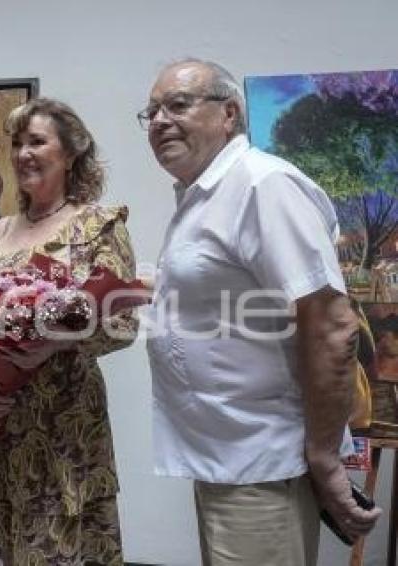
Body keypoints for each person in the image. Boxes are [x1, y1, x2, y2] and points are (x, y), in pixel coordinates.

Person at [142, 58, 381, 565]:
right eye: (152, 111)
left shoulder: (261, 186)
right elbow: (228, 295)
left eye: (178, 104)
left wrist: (324, 459)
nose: (160, 120)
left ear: (229, 113)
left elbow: (333, 327)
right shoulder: (205, 195)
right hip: (223, 457)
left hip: (264, 462)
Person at [0, 97, 138, 565]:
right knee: (15, 547)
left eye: (37, 141)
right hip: (1, 418)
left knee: (64, 548)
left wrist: (52, 343)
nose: (23, 153)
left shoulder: (98, 226)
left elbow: (122, 321)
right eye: (17, 143)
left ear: (72, 151)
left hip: (63, 422)